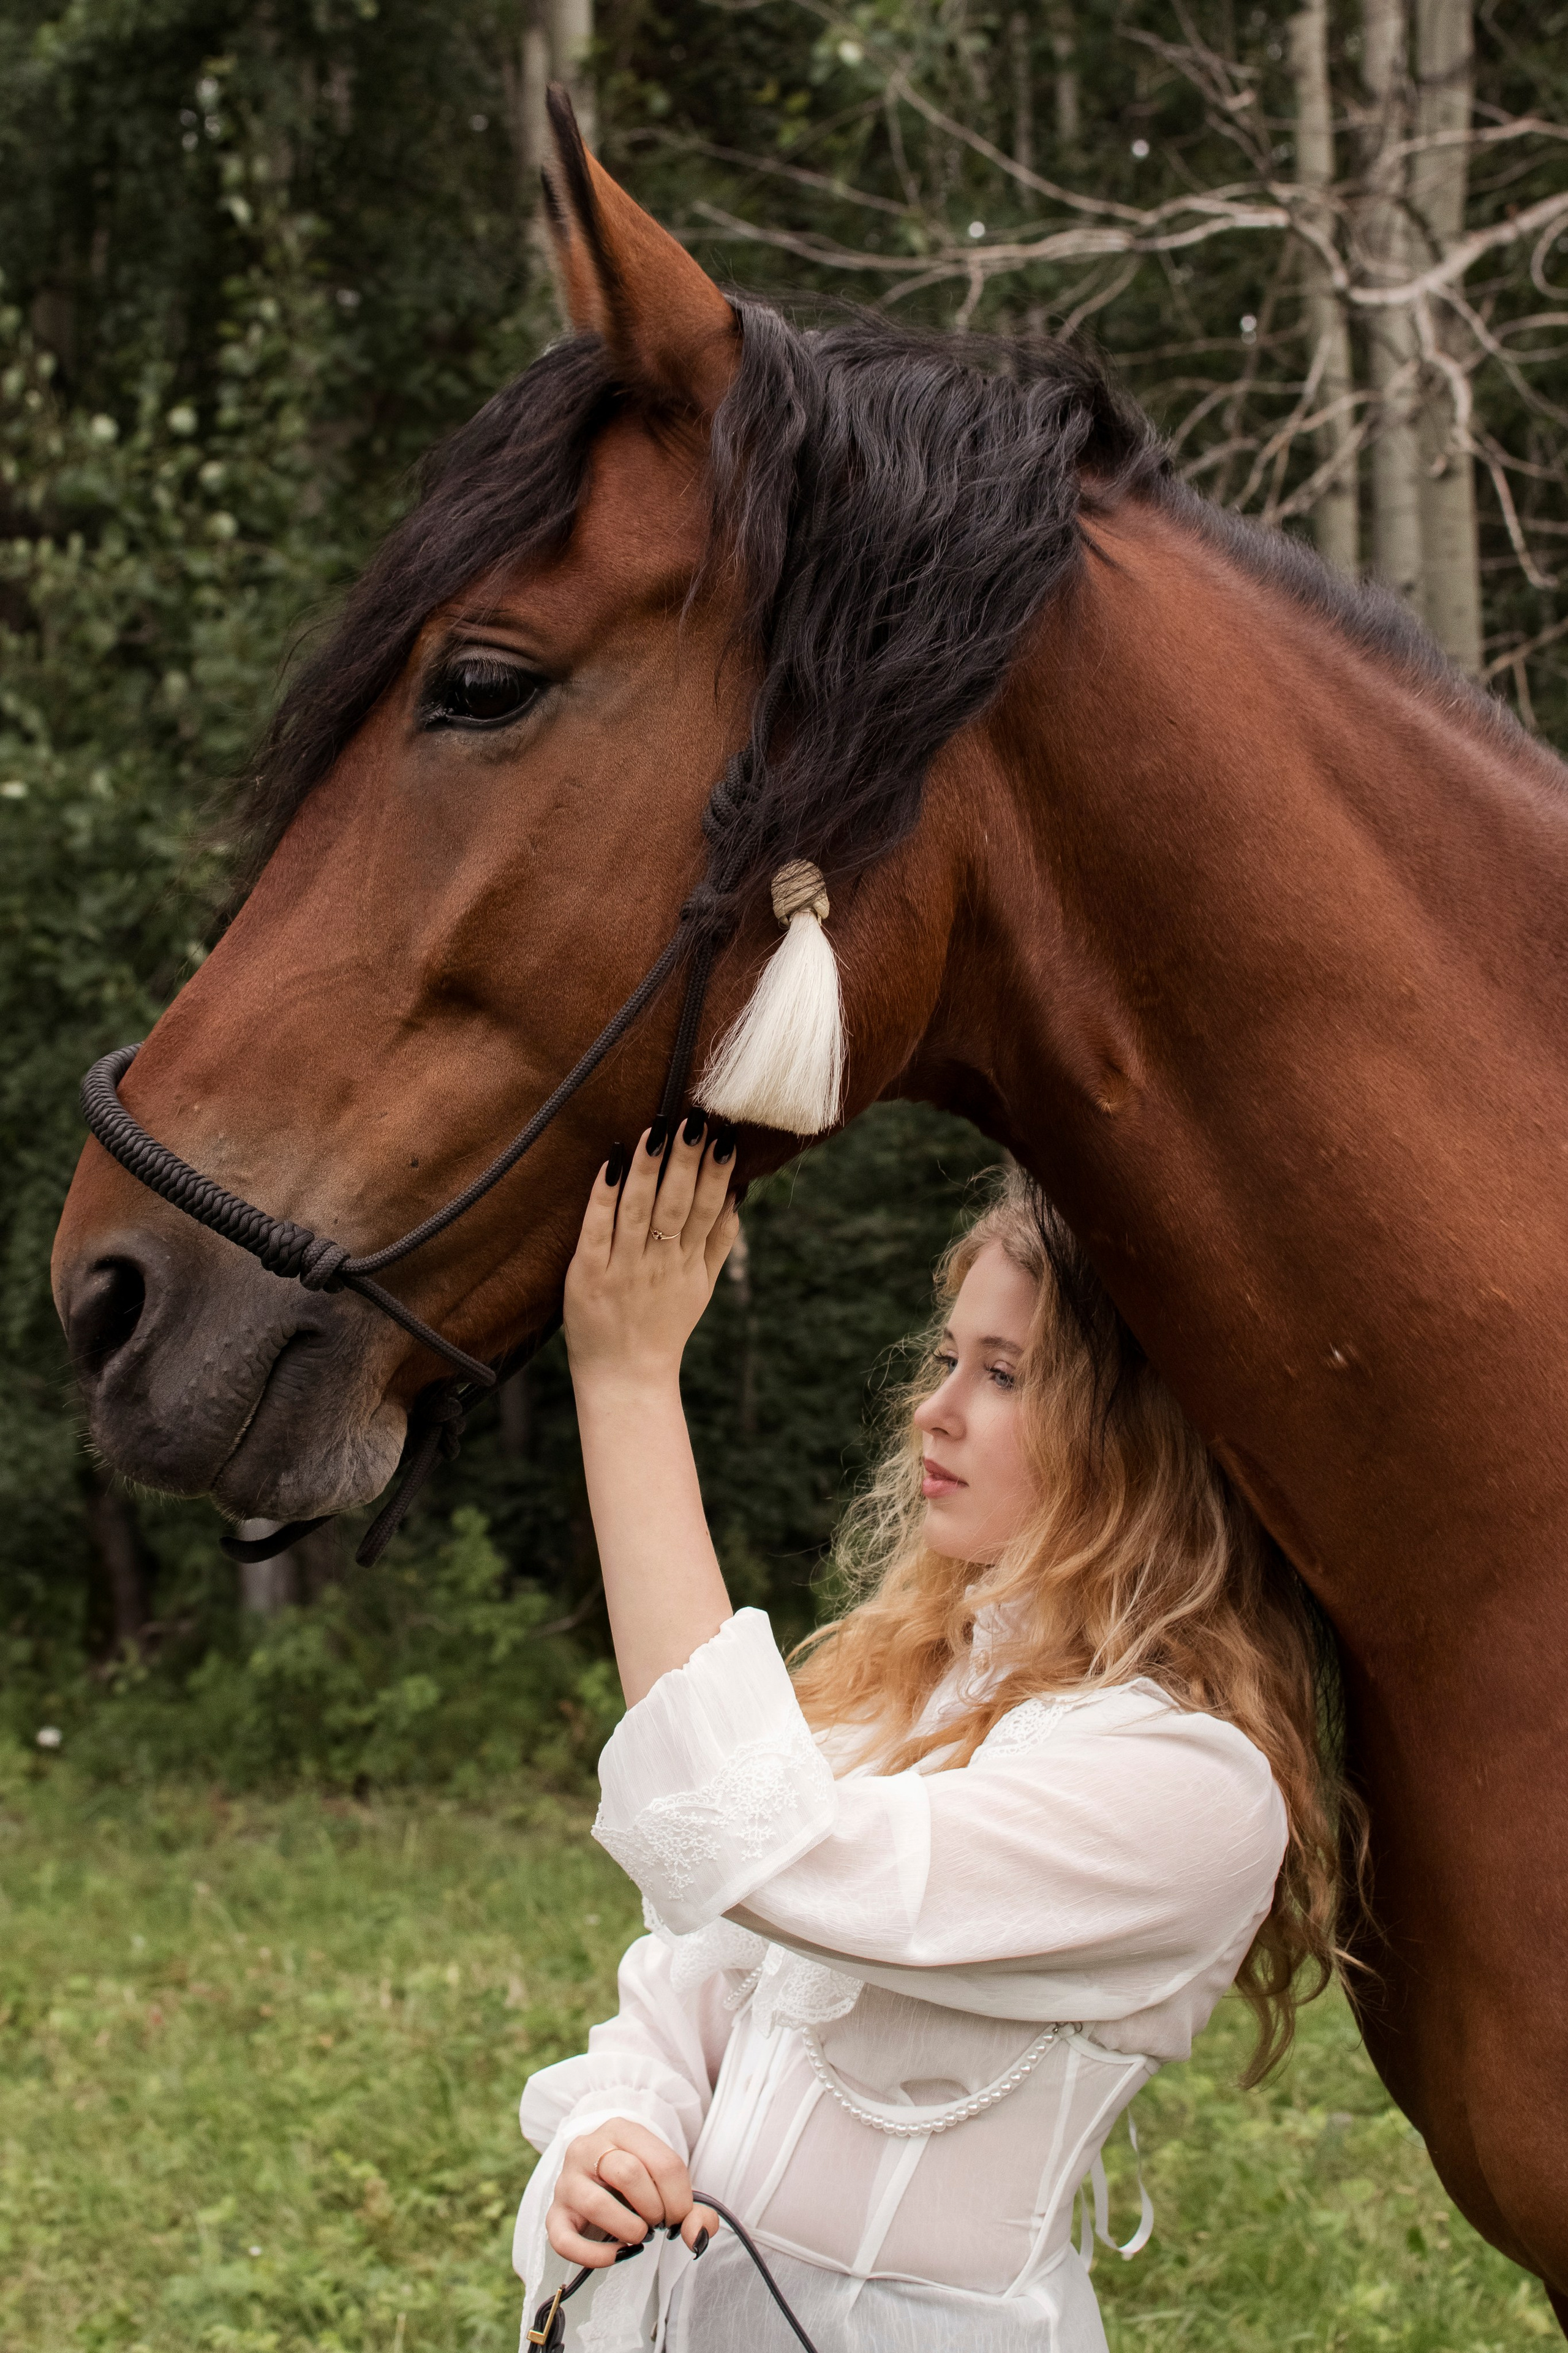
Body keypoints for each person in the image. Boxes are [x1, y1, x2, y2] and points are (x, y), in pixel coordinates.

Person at [513, 1120, 1343, 2351]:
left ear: (1141, 1431)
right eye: (947, 1358)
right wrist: (619, 2125)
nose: (934, 1410)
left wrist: (628, 1384)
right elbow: (695, 1977)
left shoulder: (1192, 1785)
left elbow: (766, 1852)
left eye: (1001, 1373)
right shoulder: (909, 1683)